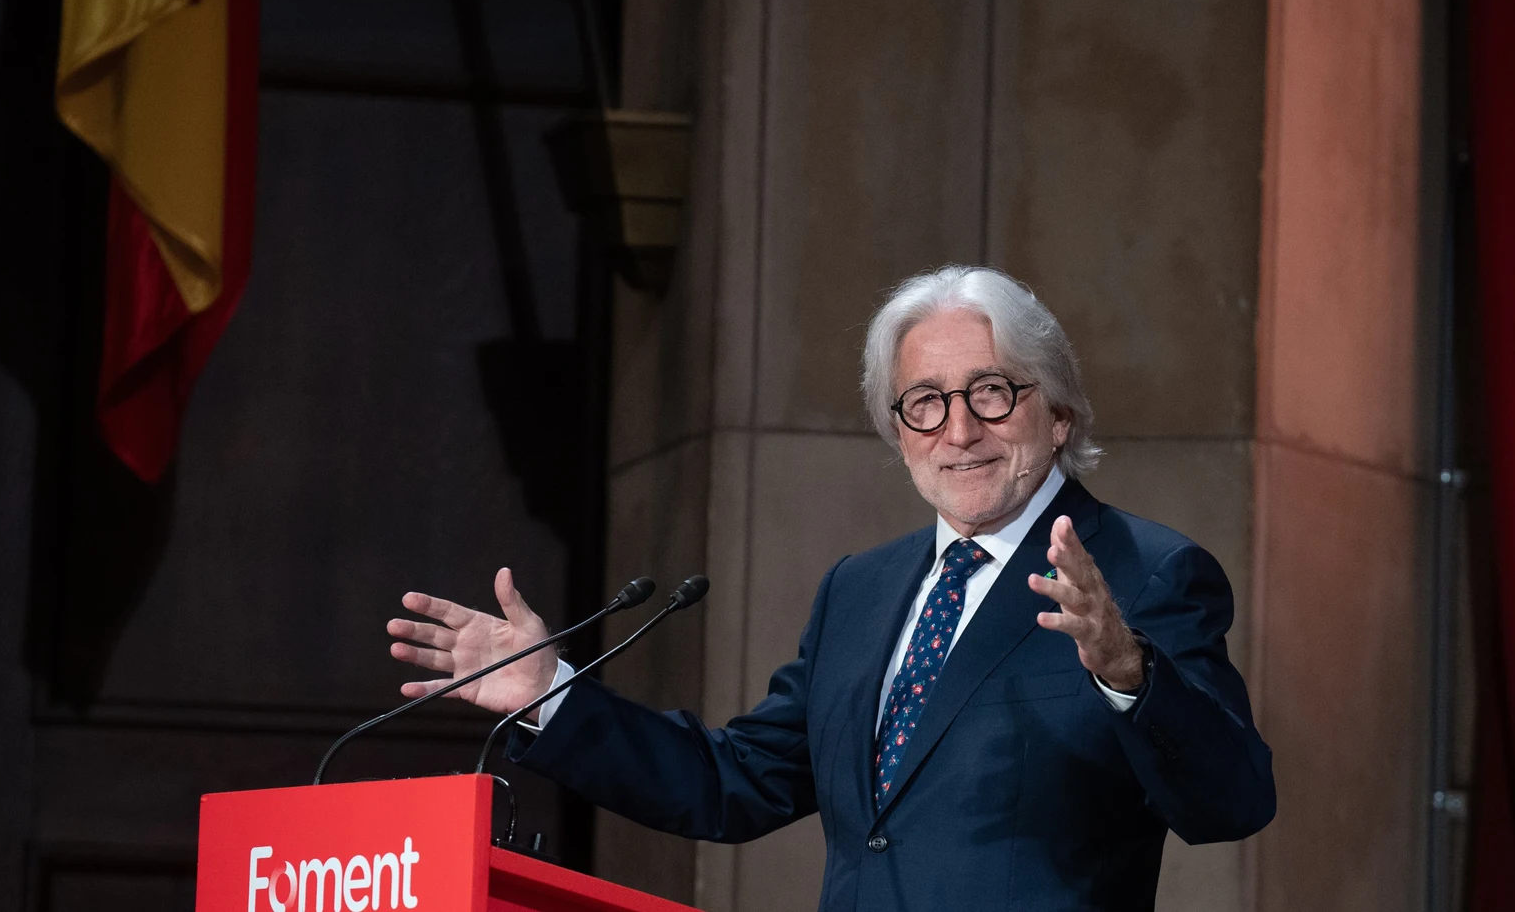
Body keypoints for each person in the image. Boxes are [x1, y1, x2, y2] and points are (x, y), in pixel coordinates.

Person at [389, 266, 1275, 910]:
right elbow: (734, 782)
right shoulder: (862, 588)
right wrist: (548, 694)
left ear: (1059, 412)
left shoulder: (1145, 572)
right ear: (898, 432)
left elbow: (1231, 801)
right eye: (923, 401)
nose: (958, 428)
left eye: (992, 392)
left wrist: (1128, 669)